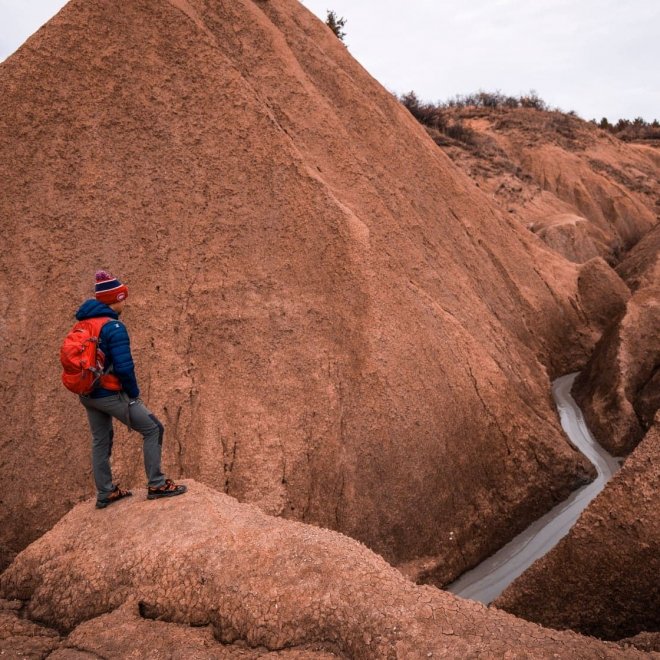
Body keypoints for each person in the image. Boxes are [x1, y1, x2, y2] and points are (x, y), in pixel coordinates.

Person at [76, 270, 187, 508]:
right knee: (153, 428)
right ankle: (157, 484)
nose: (125, 302)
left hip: (88, 394)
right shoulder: (113, 327)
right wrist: (133, 395)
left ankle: (105, 492)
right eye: (122, 298)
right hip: (108, 393)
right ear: (115, 300)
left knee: (100, 440)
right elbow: (125, 367)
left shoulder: (84, 325)